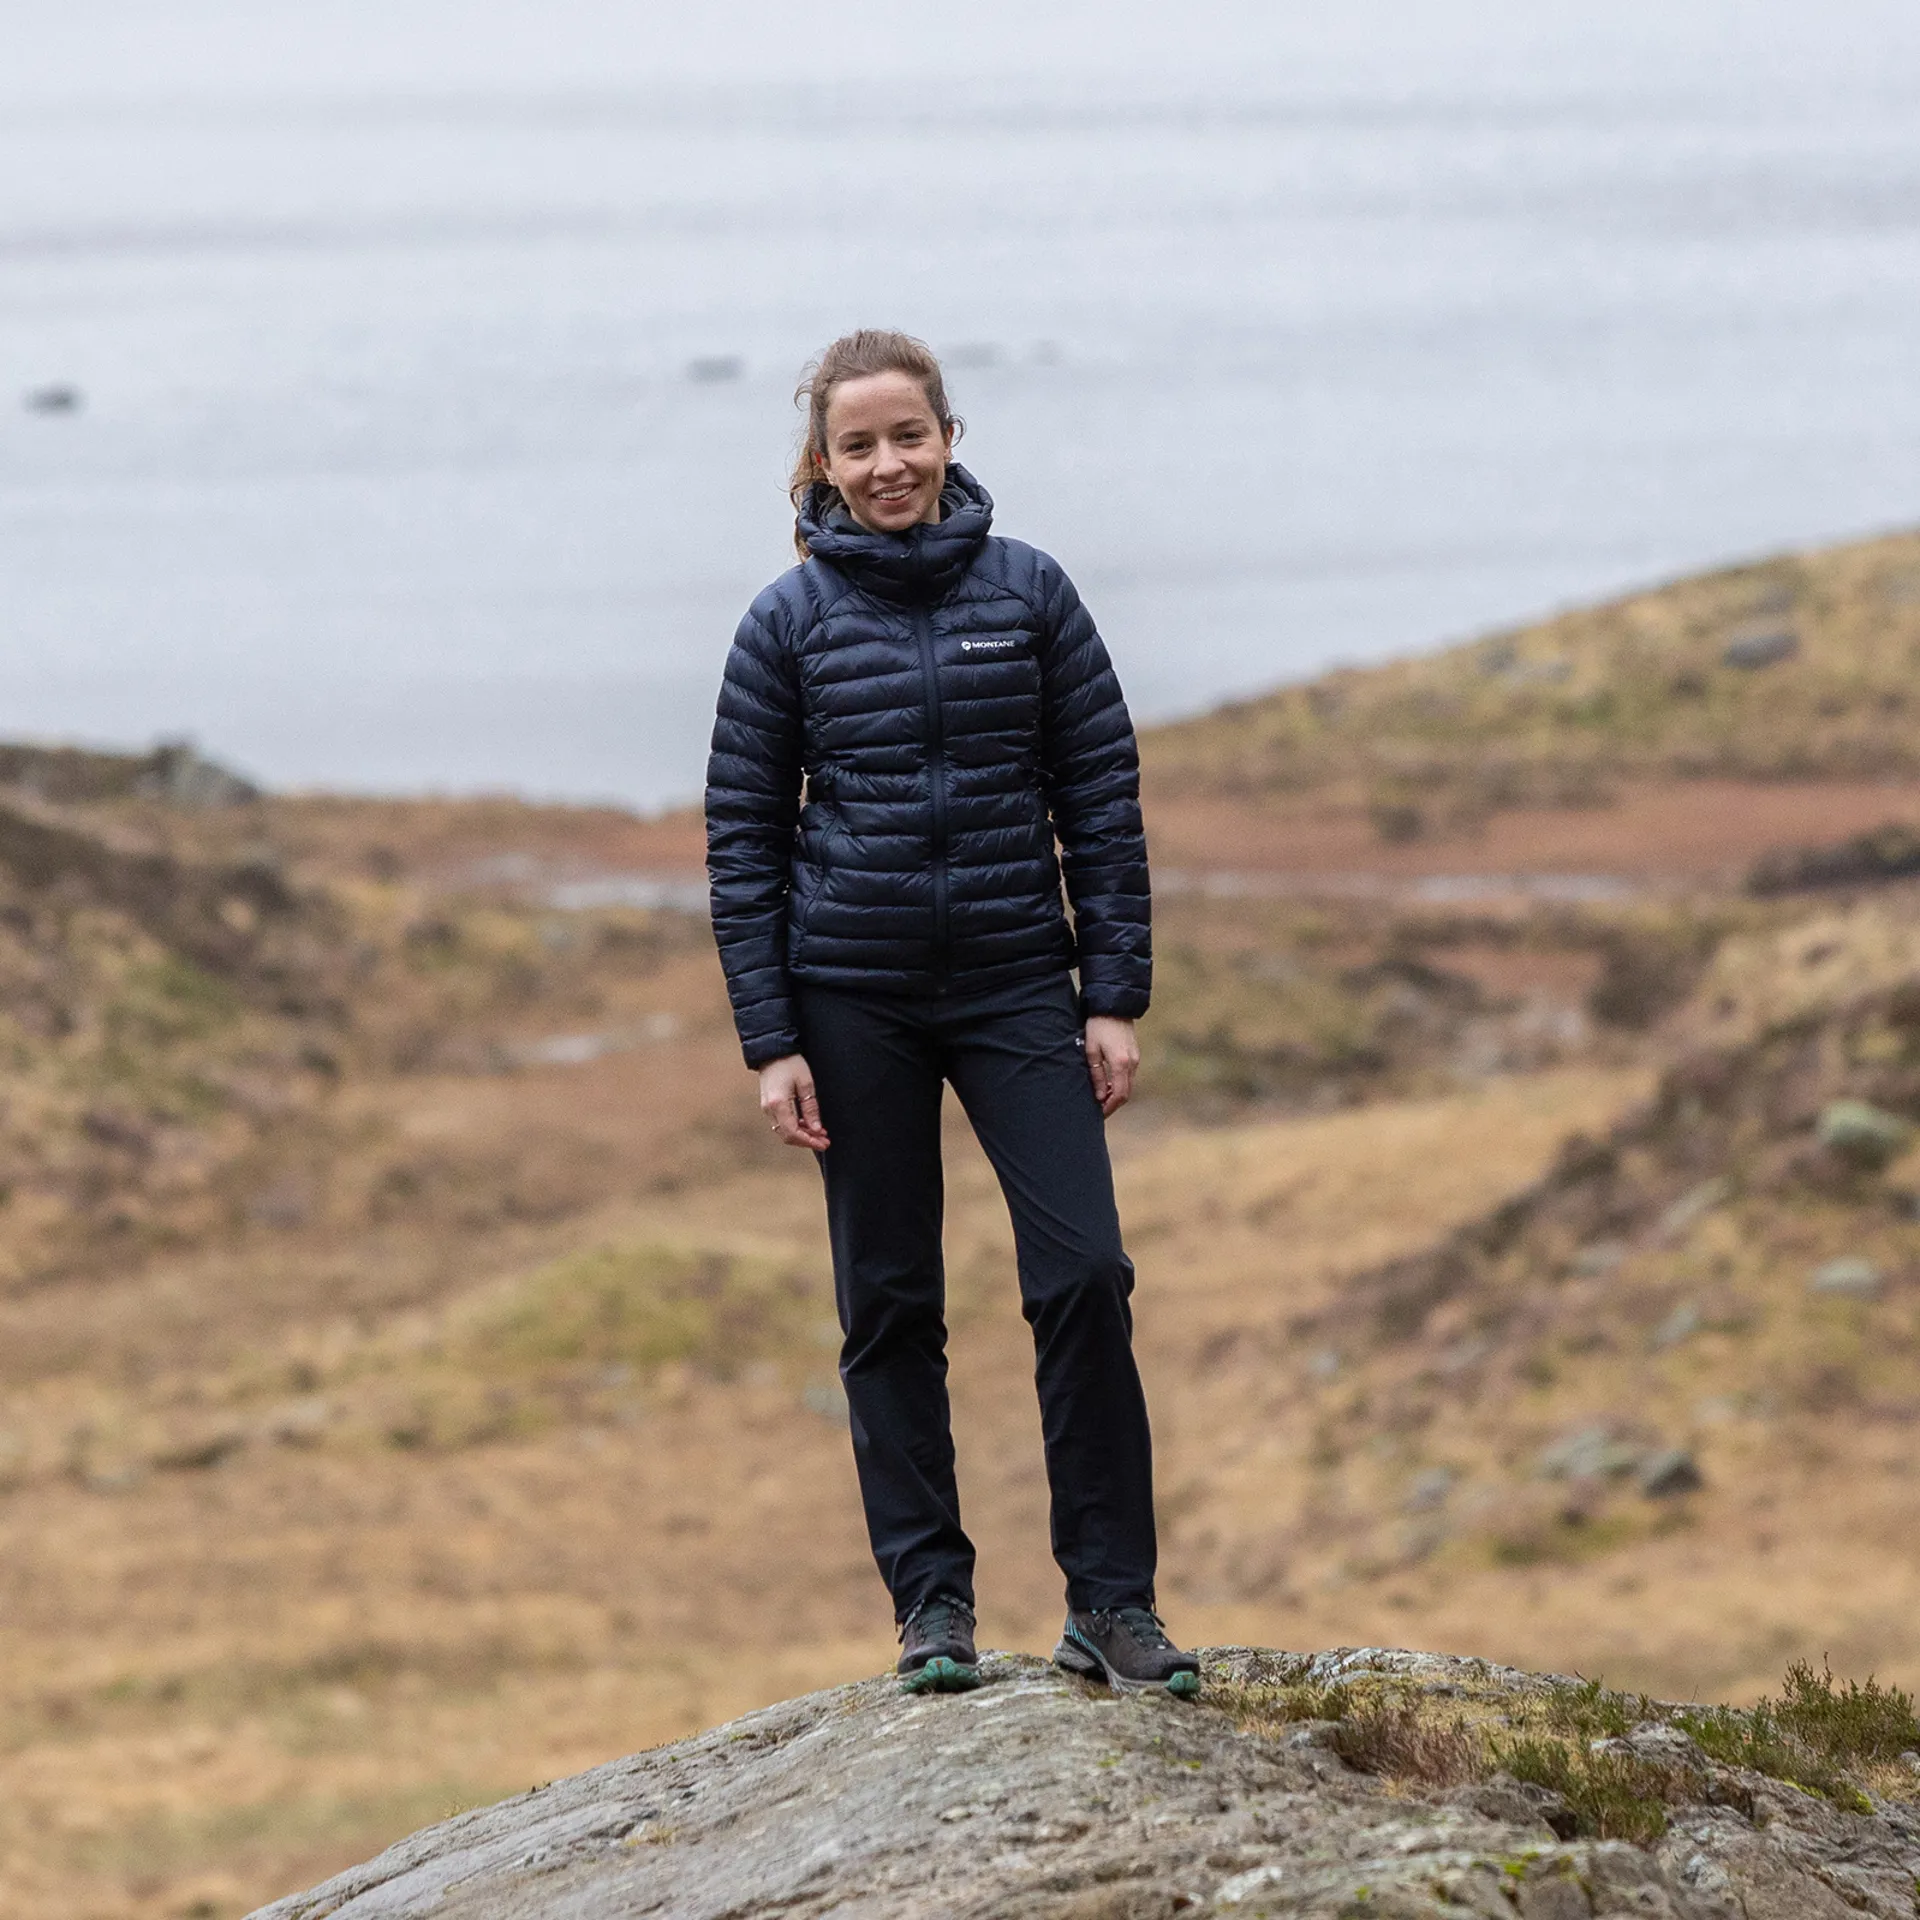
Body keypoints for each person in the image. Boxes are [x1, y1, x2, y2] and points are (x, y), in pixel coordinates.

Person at [705, 329, 1198, 1699]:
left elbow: (1100, 799)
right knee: (889, 1302)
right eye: (858, 446)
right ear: (823, 463)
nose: (888, 466)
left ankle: (1112, 1603)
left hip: (1014, 984)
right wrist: (771, 1039)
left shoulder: (1031, 594)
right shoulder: (785, 624)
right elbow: (743, 842)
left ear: (948, 439)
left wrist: (1113, 997)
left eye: (908, 437)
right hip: (849, 996)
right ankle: (932, 1606)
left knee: (1084, 1276)